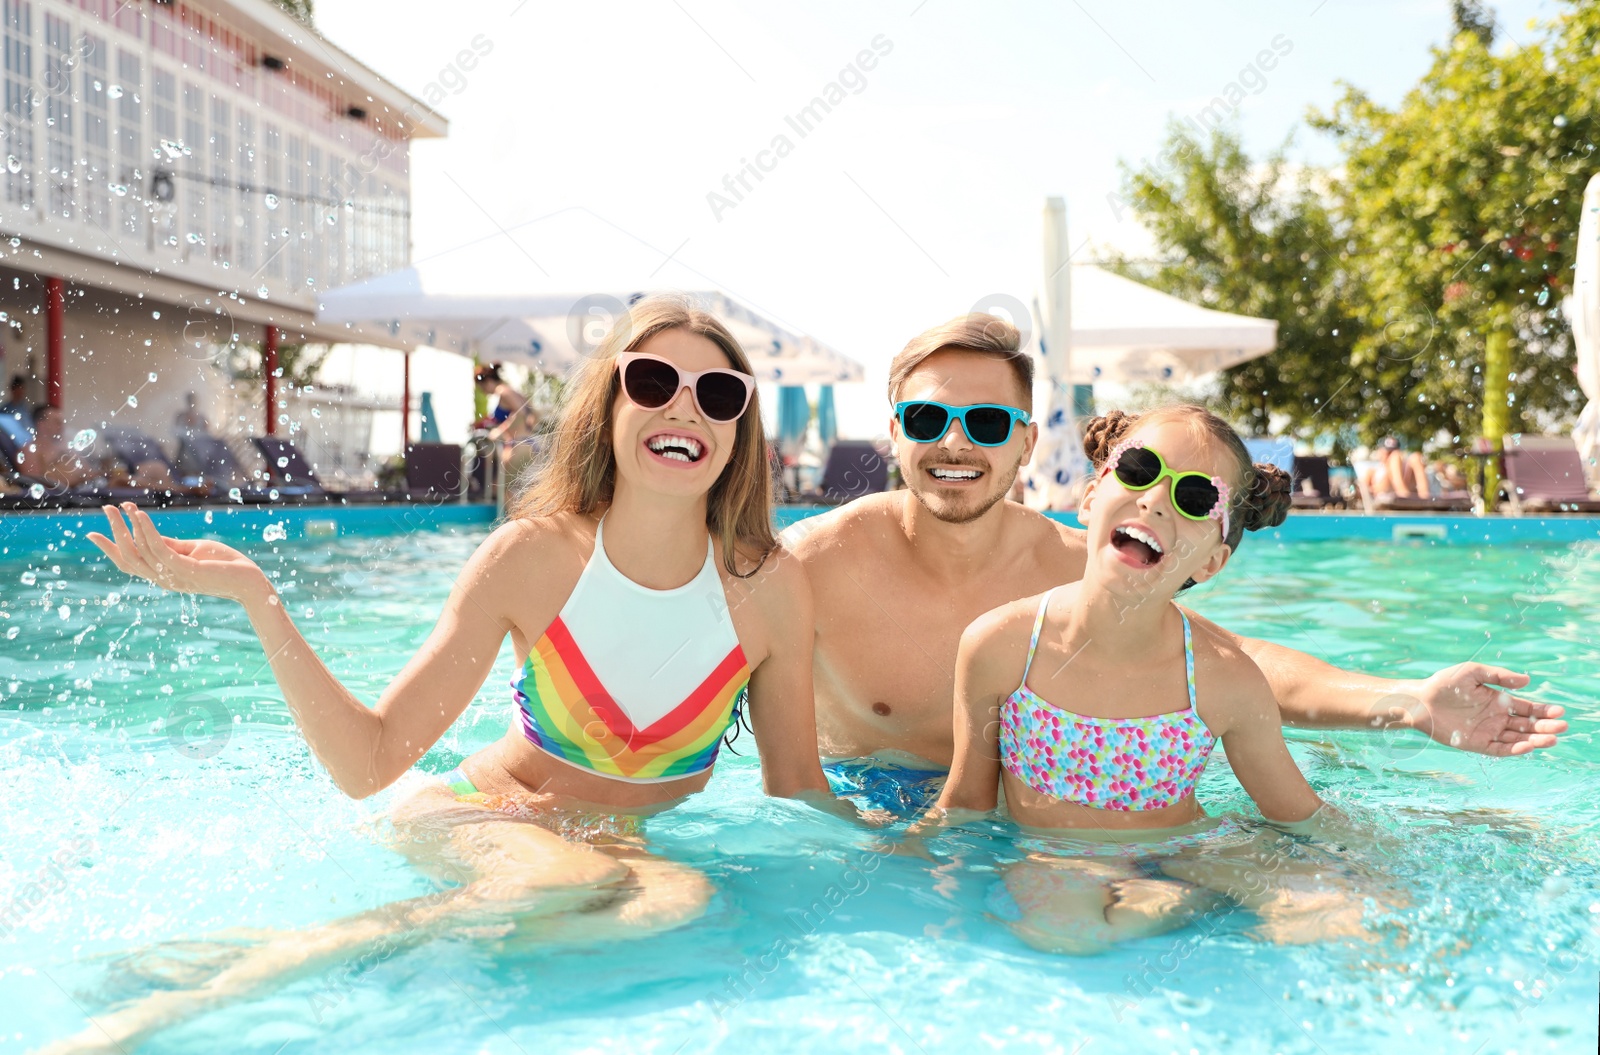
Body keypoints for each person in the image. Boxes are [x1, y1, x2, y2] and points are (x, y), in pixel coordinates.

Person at [65, 296, 838, 1053]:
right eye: (652, 383)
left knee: (681, 902)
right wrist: (257, 596)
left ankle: (254, 952)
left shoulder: (769, 588)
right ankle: (161, 1020)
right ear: (608, 405)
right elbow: (368, 761)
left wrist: (919, 842)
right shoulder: (532, 559)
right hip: (486, 814)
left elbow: (799, 784)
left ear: (741, 428)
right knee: (550, 883)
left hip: (612, 845)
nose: (684, 410)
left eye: (718, 394)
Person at [791, 314, 1566, 814]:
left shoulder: (1071, 568)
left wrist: (1403, 701)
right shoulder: (813, 566)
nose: (956, 444)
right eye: (929, 418)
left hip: (1044, 826)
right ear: (894, 432)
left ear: (1026, 444)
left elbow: (1233, 662)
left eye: (988, 422)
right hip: (871, 817)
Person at [929, 405, 1383, 952]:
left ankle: (1196, 892)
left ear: (1211, 562)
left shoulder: (1224, 681)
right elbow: (966, 803)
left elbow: (1301, 816)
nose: (1155, 500)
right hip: (1057, 857)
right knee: (1062, 934)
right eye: (1140, 469)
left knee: (1334, 919)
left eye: (1193, 498)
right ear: (1091, 497)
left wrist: (1378, 866)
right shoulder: (1000, 645)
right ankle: (1186, 901)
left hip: (1190, 850)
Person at [1363, 436, 1432, 498]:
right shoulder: (1372, 472)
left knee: (1416, 457)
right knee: (1395, 459)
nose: (1390, 455)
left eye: (1392, 452)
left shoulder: (1401, 462)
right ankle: (1404, 494)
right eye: (1388, 453)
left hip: (1406, 489)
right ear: (1380, 451)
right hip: (1388, 496)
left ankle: (1423, 496)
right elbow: (1363, 491)